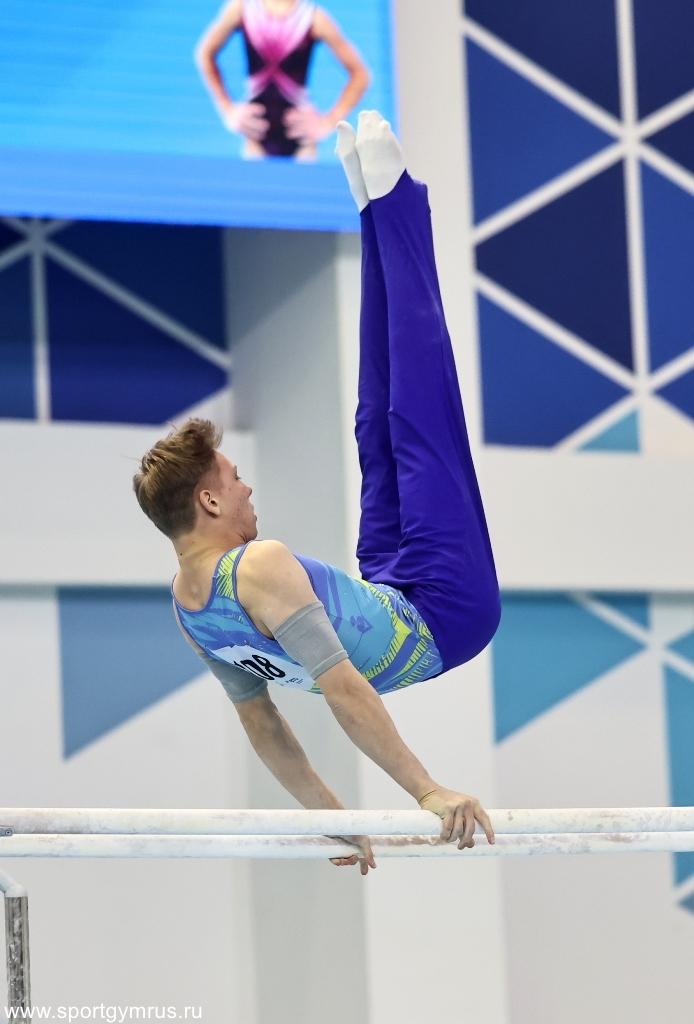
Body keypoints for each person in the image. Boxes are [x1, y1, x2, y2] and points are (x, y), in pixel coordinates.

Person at [133, 111, 501, 874]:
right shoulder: (258, 564)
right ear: (207, 503)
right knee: (419, 407)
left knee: (376, 417)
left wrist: (335, 818)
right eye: (233, 479)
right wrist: (426, 791)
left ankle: (370, 208)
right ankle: (397, 204)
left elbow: (265, 725)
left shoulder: (189, 606)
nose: (247, 486)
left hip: (392, 588)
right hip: (447, 611)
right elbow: (340, 692)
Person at [194, 0, 371, 159]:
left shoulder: (313, 18)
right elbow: (205, 53)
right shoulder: (242, 8)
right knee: (255, 185)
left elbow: (360, 74)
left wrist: (328, 122)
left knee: (303, 185)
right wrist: (227, 110)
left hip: (301, 143)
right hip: (256, 140)